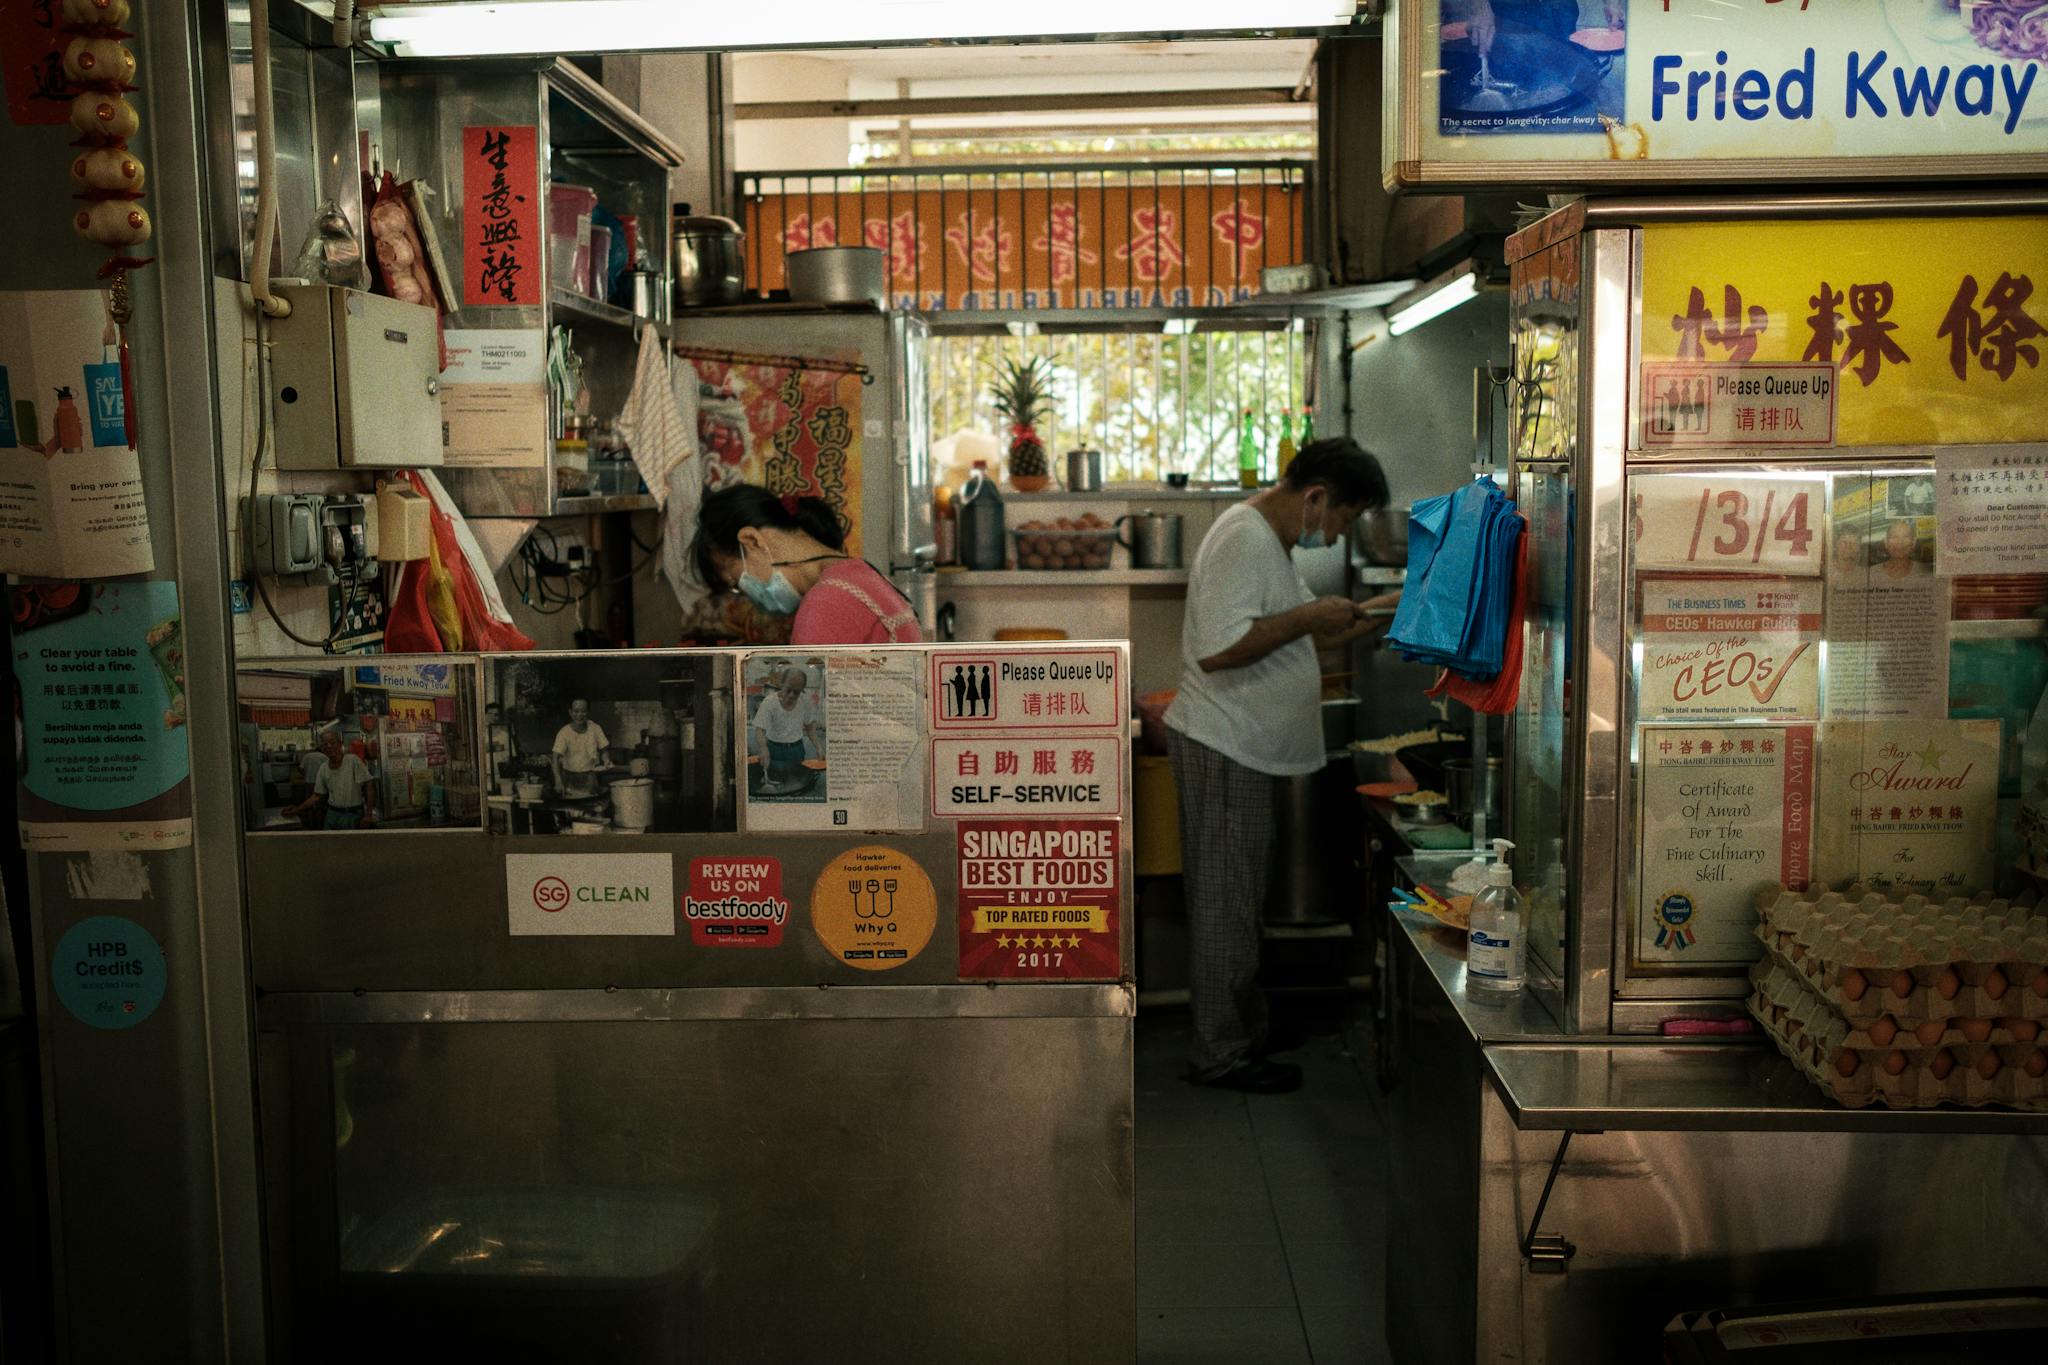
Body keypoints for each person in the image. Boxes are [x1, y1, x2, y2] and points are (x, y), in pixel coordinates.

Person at [1165, 438, 1400, 1094]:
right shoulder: (1243, 537)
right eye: (1343, 520)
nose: (1338, 534)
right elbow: (1220, 650)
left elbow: (1313, 629)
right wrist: (1307, 616)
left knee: (1240, 901)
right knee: (1224, 907)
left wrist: (1387, 609)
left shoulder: (1270, 542)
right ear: (1317, 496)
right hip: (1223, 743)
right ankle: (1220, 1053)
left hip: (1242, 746)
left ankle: (1246, 1029)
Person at [695, 485, 922, 645]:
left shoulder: (827, 601)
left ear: (751, 541)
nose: (746, 595)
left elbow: (807, 709)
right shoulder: (858, 573)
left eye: (736, 581)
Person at [285, 728, 377, 830]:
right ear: (322, 748)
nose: (329, 746)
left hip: (353, 814)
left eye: (332, 743)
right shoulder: (323, 768)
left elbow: (369, 784)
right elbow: (316, 796)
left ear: (340, 744)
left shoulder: (352, 761)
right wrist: (297, 809)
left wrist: (368, 815)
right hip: (332, 814)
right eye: (325, 744)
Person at [751, 667, 823, 776]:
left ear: (802, 689)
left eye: (796, 692)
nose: (791, 695)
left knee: (797, 782)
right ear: (782, 684)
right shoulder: (770, 702)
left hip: (796, 750)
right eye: (788, 690)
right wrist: (763, 748)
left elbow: (809, 727)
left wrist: (818, 747)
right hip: (774, 749)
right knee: (776, 781)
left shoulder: (805, 702)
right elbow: (760, 729)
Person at [550, 698, 610, 798]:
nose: (579, 715)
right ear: (570, 712)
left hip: (590, 778)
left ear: (588, 712)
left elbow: (604, 750)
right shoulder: (564, 733)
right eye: (576, 711)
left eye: (583, 711)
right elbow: (555, 758)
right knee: (573, 810)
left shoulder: (595, 728)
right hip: (569, 779)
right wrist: (558, 780)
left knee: (591, 808)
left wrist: (606, 760)